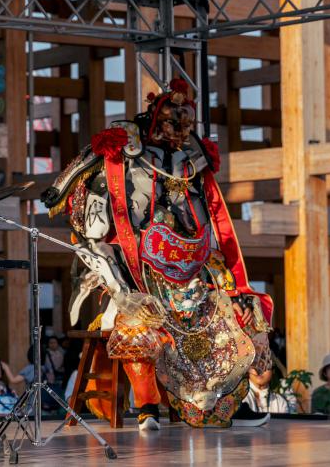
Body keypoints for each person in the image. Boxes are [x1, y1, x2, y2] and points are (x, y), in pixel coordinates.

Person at [45, 79, 272, 430]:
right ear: (155, 118)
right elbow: (93, 238)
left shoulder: (191, 160)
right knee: (138, 326)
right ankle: (146, 406)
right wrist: (122, 290)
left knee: (241, 317)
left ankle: (226, 403)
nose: (180, 129)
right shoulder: (126, 157)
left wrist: (233, 288)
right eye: (171, 120)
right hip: (138, 274)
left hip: (191, 275)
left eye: (186, 122)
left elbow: (211, 225)